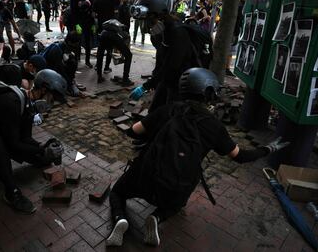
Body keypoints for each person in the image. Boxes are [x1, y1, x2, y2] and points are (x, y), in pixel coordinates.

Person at [106, 68, 290, 247]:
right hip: (176, 187)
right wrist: (268, 149)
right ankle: (157, 216)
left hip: (145, 176)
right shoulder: (214, 126)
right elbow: (240, 156)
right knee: (178, 203)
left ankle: (120, 218)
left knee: (117, 192)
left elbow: (134, 132)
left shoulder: (168, 109)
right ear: (208, 93)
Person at [0, 69, 67, 214]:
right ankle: (12, 193)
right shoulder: (12, 101)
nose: (50, 105)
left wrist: (43, 147)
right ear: (43, 90)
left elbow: (25, 138)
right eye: (51, 99)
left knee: (40, 158)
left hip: (5, 138)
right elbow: (14, 144)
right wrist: (41, 150)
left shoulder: (27, 105)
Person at [129, 0, 201, 112]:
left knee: (170, 116)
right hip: (167, 79)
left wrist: (147, 85)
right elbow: (161, 60)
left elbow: (172, 66)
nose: (148, 25)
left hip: (180, 82)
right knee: (154, 111)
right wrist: (153, 80)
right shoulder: (160, 33)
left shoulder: (178, 33)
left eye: (150, 20)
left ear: (161, 15)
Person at [41, 32, 81, 96]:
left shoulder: (65, 47)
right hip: (47, 72)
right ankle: (67, 86)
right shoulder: (57, 50)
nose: (75, 48)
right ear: (69, 42)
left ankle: (70, 83)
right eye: (74, 45)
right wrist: (69, 84)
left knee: (72, 61)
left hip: (55, 69)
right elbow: (60, 70)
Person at [96, 19, 133, 86]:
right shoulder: (124, 31)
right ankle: (125, 79)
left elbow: (110, 49)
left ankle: (99, 77)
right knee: (129, 55)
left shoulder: (110, 26)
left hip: (103, 35)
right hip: (113, 37)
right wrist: (123, 55)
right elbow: (125, 44)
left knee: (100, 55)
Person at [70, 0, 94, 68]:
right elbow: (73, 12)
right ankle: (76, 59)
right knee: (77, 43)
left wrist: (93, 24)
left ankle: (87, 61)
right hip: (78, 23)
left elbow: (92, 12)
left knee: (88, 43)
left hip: (87, 23)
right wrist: (76, 24)